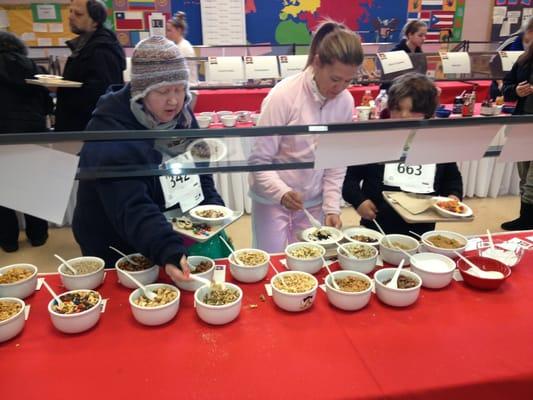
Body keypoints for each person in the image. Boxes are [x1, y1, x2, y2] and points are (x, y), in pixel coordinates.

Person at [72, 36, 226, 283]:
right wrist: (166, 247)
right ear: (141, 91)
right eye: (164, 91)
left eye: (179, 88)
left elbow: (199, 169)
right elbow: (131, 205)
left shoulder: (183, 117)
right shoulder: (111, 130)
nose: (174, 100)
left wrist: (213, 212)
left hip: (161, 227)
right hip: (113, 236)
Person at [248, 21, 364, 253]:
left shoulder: (345, 102)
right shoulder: (284, 96)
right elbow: (258, 160)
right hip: (272, 200)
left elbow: (335, 162)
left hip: (313, 201)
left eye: (348, 81)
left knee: (307, 268)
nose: (340, 87)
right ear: (317, 62)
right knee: (274, 265)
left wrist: (332, 207)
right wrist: (281, 192)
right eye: (335, 79)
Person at [343, 73, 463, 237]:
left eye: (413, 111)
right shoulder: (374, 141)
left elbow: (452, 178)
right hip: (376, 226)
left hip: (422, 227)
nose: (404, 116)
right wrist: (359, 201)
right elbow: (349, 179)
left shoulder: (436, 144)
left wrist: (452, 197)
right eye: (398, 109)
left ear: (427, 113)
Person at [0, 31, 53, 252]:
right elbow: (48, 105)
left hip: (2, 134)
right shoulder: (33, 67)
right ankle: (38, 235)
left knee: (3, 191)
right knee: (33, 187)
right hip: (33, 133)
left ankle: (8, 241)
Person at [54, 0, 125, 132]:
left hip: (88, 131)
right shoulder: (87, 45)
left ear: (95, 22)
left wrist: (62, 89)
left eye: (78, 14)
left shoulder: (102, 50)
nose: (70, 16)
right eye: (70, 11)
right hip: (78, 127)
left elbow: (101, 95)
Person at [500, 27, 533, 230]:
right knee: (524, 175)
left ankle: (527, 221)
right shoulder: (523, 60)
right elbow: (506, 87)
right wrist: (516, 91)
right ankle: (525, 219)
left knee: (532, 181)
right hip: (522, 123)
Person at [490, 17, 533, 100]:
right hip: (504, 88)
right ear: (528, 31)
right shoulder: (512, 41)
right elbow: (493, 63)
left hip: (522, 91)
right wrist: (501, 84)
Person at [380, 20, 428, 92]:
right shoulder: (395, 53)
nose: (424, 38)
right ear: (409, 35)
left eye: (425, 35)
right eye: (420, 35)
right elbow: (386, 84)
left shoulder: (420, 54)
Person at [166, 11, 198, 86]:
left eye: (169, 30)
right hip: (183, 89)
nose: (167, 34)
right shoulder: (178, 46)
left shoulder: (184, 47)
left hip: (188, 90)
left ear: (179, 30)